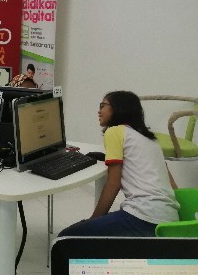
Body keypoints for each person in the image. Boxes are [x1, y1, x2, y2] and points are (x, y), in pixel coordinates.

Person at [59, 91, 179, 237]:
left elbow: (113, 184)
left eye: (103, 106)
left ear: (118, 109)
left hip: (143, 217)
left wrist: (93, 220)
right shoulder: (150, 139)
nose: (99, 111)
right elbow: (172, 184)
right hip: (169, 219)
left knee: (65, 238)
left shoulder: (114, 132)